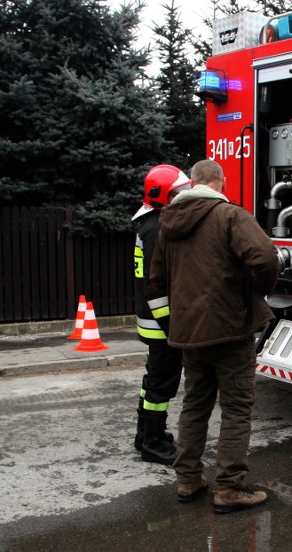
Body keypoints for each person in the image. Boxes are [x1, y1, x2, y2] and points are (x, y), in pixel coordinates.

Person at [146, 159, 280, 513]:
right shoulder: (230, 216)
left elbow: (156, 281)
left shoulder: (167, 224)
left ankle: (188, 479)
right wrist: (257, 294)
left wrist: (175, 320)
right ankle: (230, 489)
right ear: (221, 182)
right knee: (236, 409)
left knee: (195, 405)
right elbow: (265, 257)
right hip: (230, 331)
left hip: (189, 334)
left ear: (192, 183)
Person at [132, 164, 190, 465]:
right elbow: (158, 284)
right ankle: (152, 444)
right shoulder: (157, 228)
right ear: (165, 195)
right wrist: (172, 325)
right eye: (179, 192)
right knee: (161, 383)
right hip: (161, 321)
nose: (184, 196)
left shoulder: (150, 221)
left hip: (153, 318)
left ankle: (145, 435)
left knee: (152, 379)